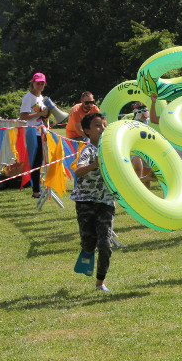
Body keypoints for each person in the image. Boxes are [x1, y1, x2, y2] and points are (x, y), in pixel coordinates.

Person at [70, 112, 115, 292]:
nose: (102, 128)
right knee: (88, 242)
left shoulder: (112, 150)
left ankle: (100, 283)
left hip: (106, 202)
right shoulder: (88, 151)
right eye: (97, 125)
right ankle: (87, 251)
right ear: (87, 131)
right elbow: (78, 172)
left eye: (104, 124)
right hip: (85, 201)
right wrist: (94, 165)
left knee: (105, 243)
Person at [19, 72, 50, 199]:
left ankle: (37, 188)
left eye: (42, 84)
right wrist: (40, 114)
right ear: (32, 83)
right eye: (38, 83)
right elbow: (23, 116)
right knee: (35, 162)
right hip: (32, 132)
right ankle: (36, 192)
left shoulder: (41, 97)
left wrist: (48, 113)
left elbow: (43, 115)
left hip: (41, 131)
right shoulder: (28, 97)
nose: (40, 86)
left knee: (40, 161)